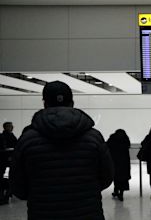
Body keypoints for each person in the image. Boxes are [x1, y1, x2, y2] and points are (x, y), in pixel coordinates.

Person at [10, 81, 114, 220]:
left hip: (43, 213)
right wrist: (87, 191)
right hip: (88, 212)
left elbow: (17, 186)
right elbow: (107, 177)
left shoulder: (28, 139)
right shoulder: (93, 137)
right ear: (72, 103)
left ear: (45, 103)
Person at [107, 129, 132, 201]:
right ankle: (121, 193)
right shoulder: (125, 139)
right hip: (124, 162)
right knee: (123, 179)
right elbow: (128, 146)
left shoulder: (112, 139)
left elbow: (107, 146)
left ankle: (116, 191)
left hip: (115, 161)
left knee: (116, 177)